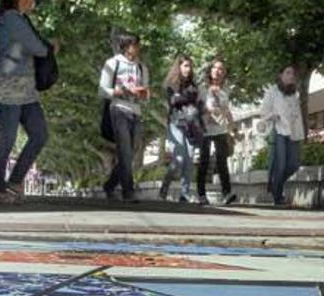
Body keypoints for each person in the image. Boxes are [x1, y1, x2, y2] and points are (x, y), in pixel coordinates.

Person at [0, 0, 56, 204]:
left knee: (39, 134)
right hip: (8, 88)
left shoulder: (20, 19)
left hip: (26, 90)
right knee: (6, 140)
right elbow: (37, 48)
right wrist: (50, 47)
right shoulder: (10, 17)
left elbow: (26, 48)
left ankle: (15, 180)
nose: (34, 2)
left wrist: (45, 47)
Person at [100, 33, 150, 202]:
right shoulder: (112, 63)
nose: (137, 48)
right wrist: (121, 91)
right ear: (126, 46)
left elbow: (146, 92)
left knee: (130, 153)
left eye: (138, 45)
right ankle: (128, 191)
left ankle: (110, 185)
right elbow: (102, 90)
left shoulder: (142, 67)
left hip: (136, 111)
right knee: (125, 150)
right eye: (134, 45)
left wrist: (143, 94)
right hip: (118, 109)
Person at [159, 55, 201, 202]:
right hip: (175, 124)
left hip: (191, 126)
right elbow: (173, 101)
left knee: (189, 160)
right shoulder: (171, 84)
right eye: (185, 66)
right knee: (179, 159)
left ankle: (185, 192)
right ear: (179, 67)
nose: (188, 69)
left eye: (190, 66)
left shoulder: (194, 85)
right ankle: (165, 187)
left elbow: (196, 103)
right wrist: (185, 98)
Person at [260, 65, 304, 206]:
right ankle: (278, 196)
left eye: (293, 73)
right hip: (278, 131)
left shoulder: (295, 94)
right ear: (281, 75)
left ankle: (275, 185)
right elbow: (264, 113)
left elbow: (297, 115)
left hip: (293, 132)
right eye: (288, 72)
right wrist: (272, 116)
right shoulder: (272, 92)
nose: (291, 76)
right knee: (281, 164)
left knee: (294, 164)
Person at [196, 57, 237, 206]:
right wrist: (207, 111)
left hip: (221, 129)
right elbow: (197, 107)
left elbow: (227, 110)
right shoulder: (202, 88)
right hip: (205, 129)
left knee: (222, 160)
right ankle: (201, 194)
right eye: (216, 68)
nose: (218, 71)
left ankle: (227, 193)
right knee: (204, 161)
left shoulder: (226, 89)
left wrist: (233, 128)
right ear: (210, 70)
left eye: (221, 69)